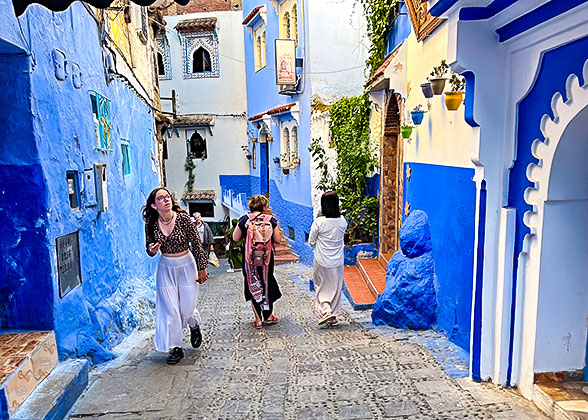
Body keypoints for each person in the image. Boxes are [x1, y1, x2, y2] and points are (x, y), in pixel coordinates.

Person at [142, 188, 209, 365]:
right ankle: (175, 347)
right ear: (154, 205)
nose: (166, 199)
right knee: (170, 309)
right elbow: (149, 248)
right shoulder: (151, 223)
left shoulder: (184, 219)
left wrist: (202, 267)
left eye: (167, 196)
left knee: (186, 308)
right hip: (166, 268)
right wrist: (152, 249)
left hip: (187, 265)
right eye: (161, 198)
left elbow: (196, 242)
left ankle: (194, 326)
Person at [232, 195, 283, 329]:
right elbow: (277, 240)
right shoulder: (271, 220)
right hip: (266, 259)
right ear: (264, 207)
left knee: (252, 284)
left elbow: (235, 237)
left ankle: (258, 320)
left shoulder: (244, 220)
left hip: (249, 260)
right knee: (267, 282)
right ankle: (269, 315)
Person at [309, 191, 347, 326]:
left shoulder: (319, 222)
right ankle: (334, 315)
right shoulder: (342, 221)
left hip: (321, 260)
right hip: (337, 261)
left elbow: (311, 241)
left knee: (321, 286)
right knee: (336, 287)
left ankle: (326, 310)